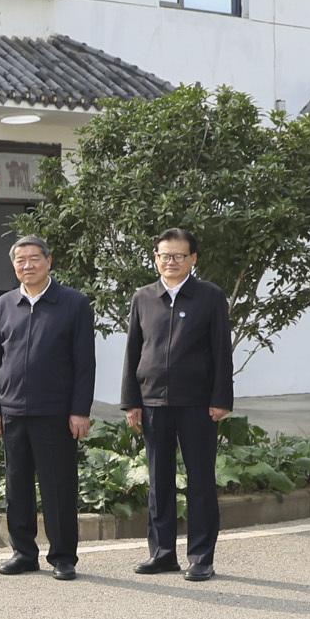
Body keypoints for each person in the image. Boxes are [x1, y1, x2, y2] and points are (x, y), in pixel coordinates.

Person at [0, 235, 96, 580]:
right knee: (17, 486)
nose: (27, 266)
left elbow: (84, 363)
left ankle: (63, 556)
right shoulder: (4, 305)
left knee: (58, 485)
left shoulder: (72, 303)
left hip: (55, 411)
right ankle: (23, 552)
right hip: (13, 411)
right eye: (20, 261)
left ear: (49, 261)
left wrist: (79, 410)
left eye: (33, 259)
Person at [115, 231, 231, 581]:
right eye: (165, 255)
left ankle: (201, 558)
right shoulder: (143, 297)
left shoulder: (209, 297)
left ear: (193, 258)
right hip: (152, 402)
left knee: (200, 481)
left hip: (197, 403)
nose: (172, 262)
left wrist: (220, 398)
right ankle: (162, 553)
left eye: (180, 256)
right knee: (159, 480)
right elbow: (133, 350)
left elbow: (221, 352)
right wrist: (130, 401)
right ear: (155, 258)